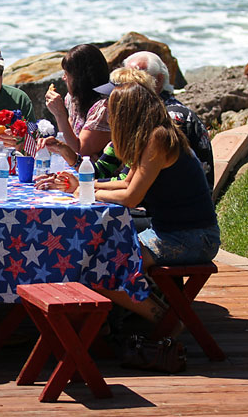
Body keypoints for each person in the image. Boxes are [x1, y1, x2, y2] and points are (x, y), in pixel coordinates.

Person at [37, 80, 219, 327]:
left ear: (127, 113)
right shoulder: (152, 136)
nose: (109, 118)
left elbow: (131, 197)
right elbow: (125, 183)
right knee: (97, 256)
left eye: (112, 112)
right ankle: (148, 319)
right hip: (173, 231)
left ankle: (165, 321)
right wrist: (82, 186)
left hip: (191, 238)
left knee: (101, 269)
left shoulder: (158, 138)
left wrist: (86, 192)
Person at [123, 51, 214, 189]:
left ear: (158, 80)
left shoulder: (171, 118)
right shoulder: (152, 112)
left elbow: (132, 187)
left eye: (137, 78)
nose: (128, 86)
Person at [43, 44, 111, 158]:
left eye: (67, 74)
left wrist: (60, 114)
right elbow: (68, 139)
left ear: (80, 78)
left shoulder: (104, 106)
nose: (63, 78)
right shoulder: (73, 99)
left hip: (100, 172)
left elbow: (80, 151)